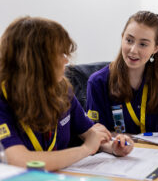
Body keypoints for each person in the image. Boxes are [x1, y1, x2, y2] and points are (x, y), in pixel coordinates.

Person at [0, 17, 133, 171]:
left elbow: (90, 133)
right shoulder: (4, 99)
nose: (66, 60)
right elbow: (20, 161)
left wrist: (113, 147)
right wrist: (85, 150)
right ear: (37, 60)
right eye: (60, 54)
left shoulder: (61, 89)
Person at [86, 11, 158, 150]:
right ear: (122, 37)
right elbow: (95, 133)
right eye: (129, 40)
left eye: (143, 44)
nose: (133, 50)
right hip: (117, 157)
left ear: (156, 48)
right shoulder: (98, 82)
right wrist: (119, 143)